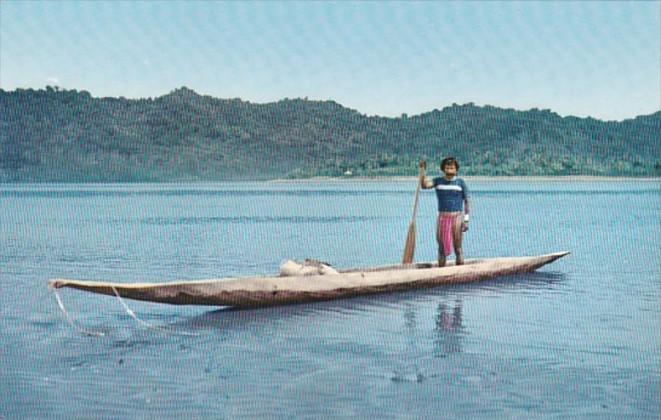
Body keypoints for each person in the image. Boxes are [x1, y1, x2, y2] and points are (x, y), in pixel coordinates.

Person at [419, 157, 470, 267]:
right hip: (443, 218)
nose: (449, 170)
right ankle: (441, 270)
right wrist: (423, 171)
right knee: (441, 248)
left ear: (456, 169)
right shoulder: (438, 181)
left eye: (452, 167)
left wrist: (466, 220)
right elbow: (424, 185)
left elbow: (467, 201)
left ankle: (460, 271)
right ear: (443, 169)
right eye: (447, 167)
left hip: (456, 217)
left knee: (458, 246)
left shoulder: (460, 183)